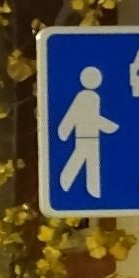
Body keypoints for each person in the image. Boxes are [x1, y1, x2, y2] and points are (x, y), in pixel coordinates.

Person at [57, 66, 118, 197]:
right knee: (80, 158)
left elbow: (86, 117)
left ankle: (93, 190)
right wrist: (64, 130)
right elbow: (74, 114)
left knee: (91, 163)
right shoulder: (84, 97)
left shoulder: (94, 97)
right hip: (84, 135)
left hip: (92, 136)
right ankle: (66, 183)